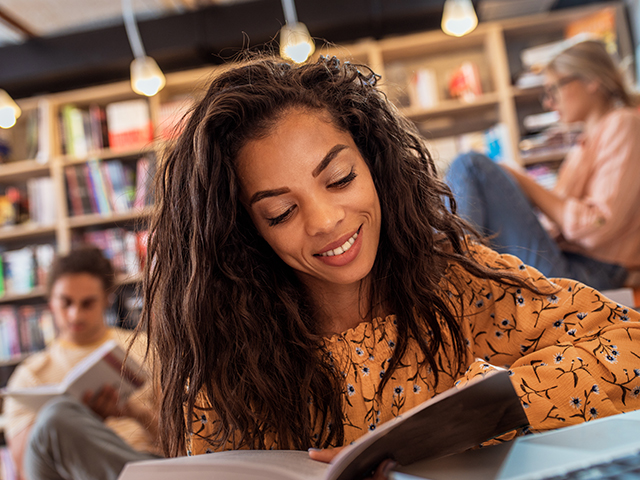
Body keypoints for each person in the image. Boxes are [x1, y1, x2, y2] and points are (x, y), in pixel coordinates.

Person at [140, 54, 640, 477]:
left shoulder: (455, 282)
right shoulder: (232, 370)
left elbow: (628, 347)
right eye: (281, 212)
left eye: (339, 179)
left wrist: (468, 421)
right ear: (244, 232)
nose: (326, 220)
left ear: (374, 164)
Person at [446, 39, 640, 291]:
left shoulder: (623, 124)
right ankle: (453, 272)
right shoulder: (583, 144)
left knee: (471, 164)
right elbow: (557, 223)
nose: (549, 102)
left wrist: (524, 183)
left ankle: (452, 282)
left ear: (591, 80)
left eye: (554, 89)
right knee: (472, 175)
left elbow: (596, 227)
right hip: (574, 261)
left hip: (590, 271)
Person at [3, 247, 161, 480]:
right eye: (66, 303)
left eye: (87, 304)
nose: (75, 315)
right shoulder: (29, 376)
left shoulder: (143, 348)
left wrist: (132, 412)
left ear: (106, 299)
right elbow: (27, 470)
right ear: (50, 302)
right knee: (56, 416)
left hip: (144, 464)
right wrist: (80, 423)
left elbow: (185, 440)